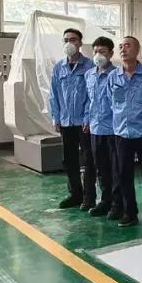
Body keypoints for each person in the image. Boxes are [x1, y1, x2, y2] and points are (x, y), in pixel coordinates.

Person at [109, 36, 142, 229]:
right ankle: (129, 213)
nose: (123, 50)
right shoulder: (113, 77)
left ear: (137, 50)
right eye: (120, 47)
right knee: (124, 175)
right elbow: (111, 101)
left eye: (127, 46)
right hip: (122, 133)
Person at [50, 27, 95, 210]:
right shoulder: (58, 67)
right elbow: (54, 94)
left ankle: (89, 196)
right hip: (66, 121)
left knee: (88, 159)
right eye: (66, 40)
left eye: (73, 39)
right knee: (69, 159)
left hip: (84, 122)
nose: (69, 43)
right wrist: (56, 117)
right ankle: (75, 194)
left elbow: (92, 95)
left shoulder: (90, 66)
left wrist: (88, 117)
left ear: (80, 43)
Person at [85, 36, 122, 220]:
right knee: (101, 168)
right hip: (95, 128)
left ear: (111, 54)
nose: (98, 55)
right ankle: (105, 201)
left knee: (116, 169)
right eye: (96, 51)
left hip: (113, 129)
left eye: (103, 52)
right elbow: (88, 100)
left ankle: (117, 204)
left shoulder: (117, 75)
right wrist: (87, 119)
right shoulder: (89, 75)